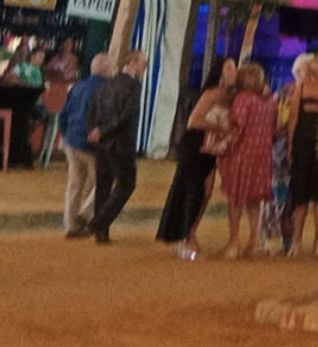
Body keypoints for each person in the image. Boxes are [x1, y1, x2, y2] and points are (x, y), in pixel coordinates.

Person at [155, 57, 235, 261]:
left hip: (210, 149)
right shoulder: (211, 94)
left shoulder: (229, 96)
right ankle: (185, 238)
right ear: (219, 73)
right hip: (195, 146)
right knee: (194, 190)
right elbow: (194, 120)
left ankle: (190, 232)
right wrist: (219, 128)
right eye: (229, 68)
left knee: (207, 191)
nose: (233, 71)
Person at [84, 49, 147, 245]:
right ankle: (98, 224)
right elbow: (126, 116)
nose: (144, 68)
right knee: (126, 184)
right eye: (143, 63)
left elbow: (91, 108)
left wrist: (96, 130)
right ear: (133, 63)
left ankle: (102, 233)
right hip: (120, 143)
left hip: (102, 144)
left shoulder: (107, 84)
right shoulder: (134, 87)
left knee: (103, 185)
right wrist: (104, 131)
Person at [217, 62, 277, 259]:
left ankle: (234, 241)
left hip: (242, 155)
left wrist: (222, 144)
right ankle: (254, 241)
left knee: (236, 199)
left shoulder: (243, 99)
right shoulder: (269, 101)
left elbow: (237, 127)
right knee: (254, 201)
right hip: (263, 156)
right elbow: (275, 128)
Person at [283, 52, 318, 257]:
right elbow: (293, 118)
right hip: (303, 144)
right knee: (300, 195)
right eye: (313, 65)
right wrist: (290, 146)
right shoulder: (300, 88)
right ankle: (296, 241)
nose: (315, 69)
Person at [60, 52, 112, 238]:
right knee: (104, 181)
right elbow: (105, 118)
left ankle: (71, 225)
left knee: (74, 184)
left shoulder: (78, 86)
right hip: (90, 143)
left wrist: (66, 135)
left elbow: (63, 113)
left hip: (71, 140)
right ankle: (85, 213)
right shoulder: (106, 89)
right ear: (106, 69)